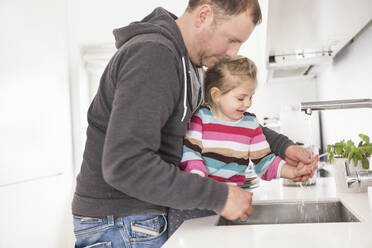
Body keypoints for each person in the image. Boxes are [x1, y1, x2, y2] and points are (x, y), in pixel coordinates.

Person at [72, 1, 316, 247]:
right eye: (232, 40)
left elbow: (218, 122)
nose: (233, 53)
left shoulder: (187, 65)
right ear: (204, 15)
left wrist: (282, 147)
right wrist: (219, 196)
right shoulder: (154, 56)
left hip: (135, 220)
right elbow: (125, 164)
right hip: (124, 223)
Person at [167, 56, 318, 236]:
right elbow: (191, 156)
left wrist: (291, 172)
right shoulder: (200, 118)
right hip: (196, 204)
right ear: (216, 95)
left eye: (251, 97)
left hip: (232, 204)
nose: (248, 103)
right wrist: (205, 190)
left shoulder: (250, 124)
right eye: (241, 98)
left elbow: (265, 161)